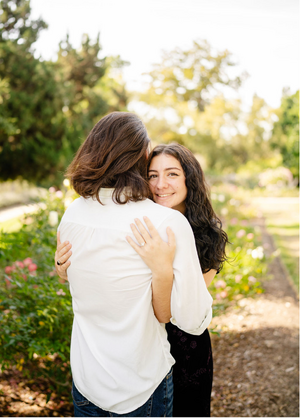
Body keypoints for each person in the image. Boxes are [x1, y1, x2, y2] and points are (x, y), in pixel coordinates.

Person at [56, 112, 213, 417]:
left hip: (87, 382)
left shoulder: (71, 214)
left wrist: (62, 272)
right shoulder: (166, 223)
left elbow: (76, 275)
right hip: (140, 387)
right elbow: (193, 320)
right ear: (142, 157)